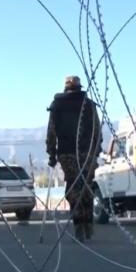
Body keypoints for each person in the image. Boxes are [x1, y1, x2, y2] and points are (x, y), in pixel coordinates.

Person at [45, 75, 102, 242]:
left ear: (66, 87)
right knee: (87, 186)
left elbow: (52, 132)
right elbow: (97, 130)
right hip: (87, 153)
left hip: (67, 153)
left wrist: (52, 154)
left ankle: (78, 223)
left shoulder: (57, 105)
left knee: (73, 186)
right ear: (79, 87)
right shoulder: (88, 105)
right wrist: (96, 151)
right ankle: (88, 225)